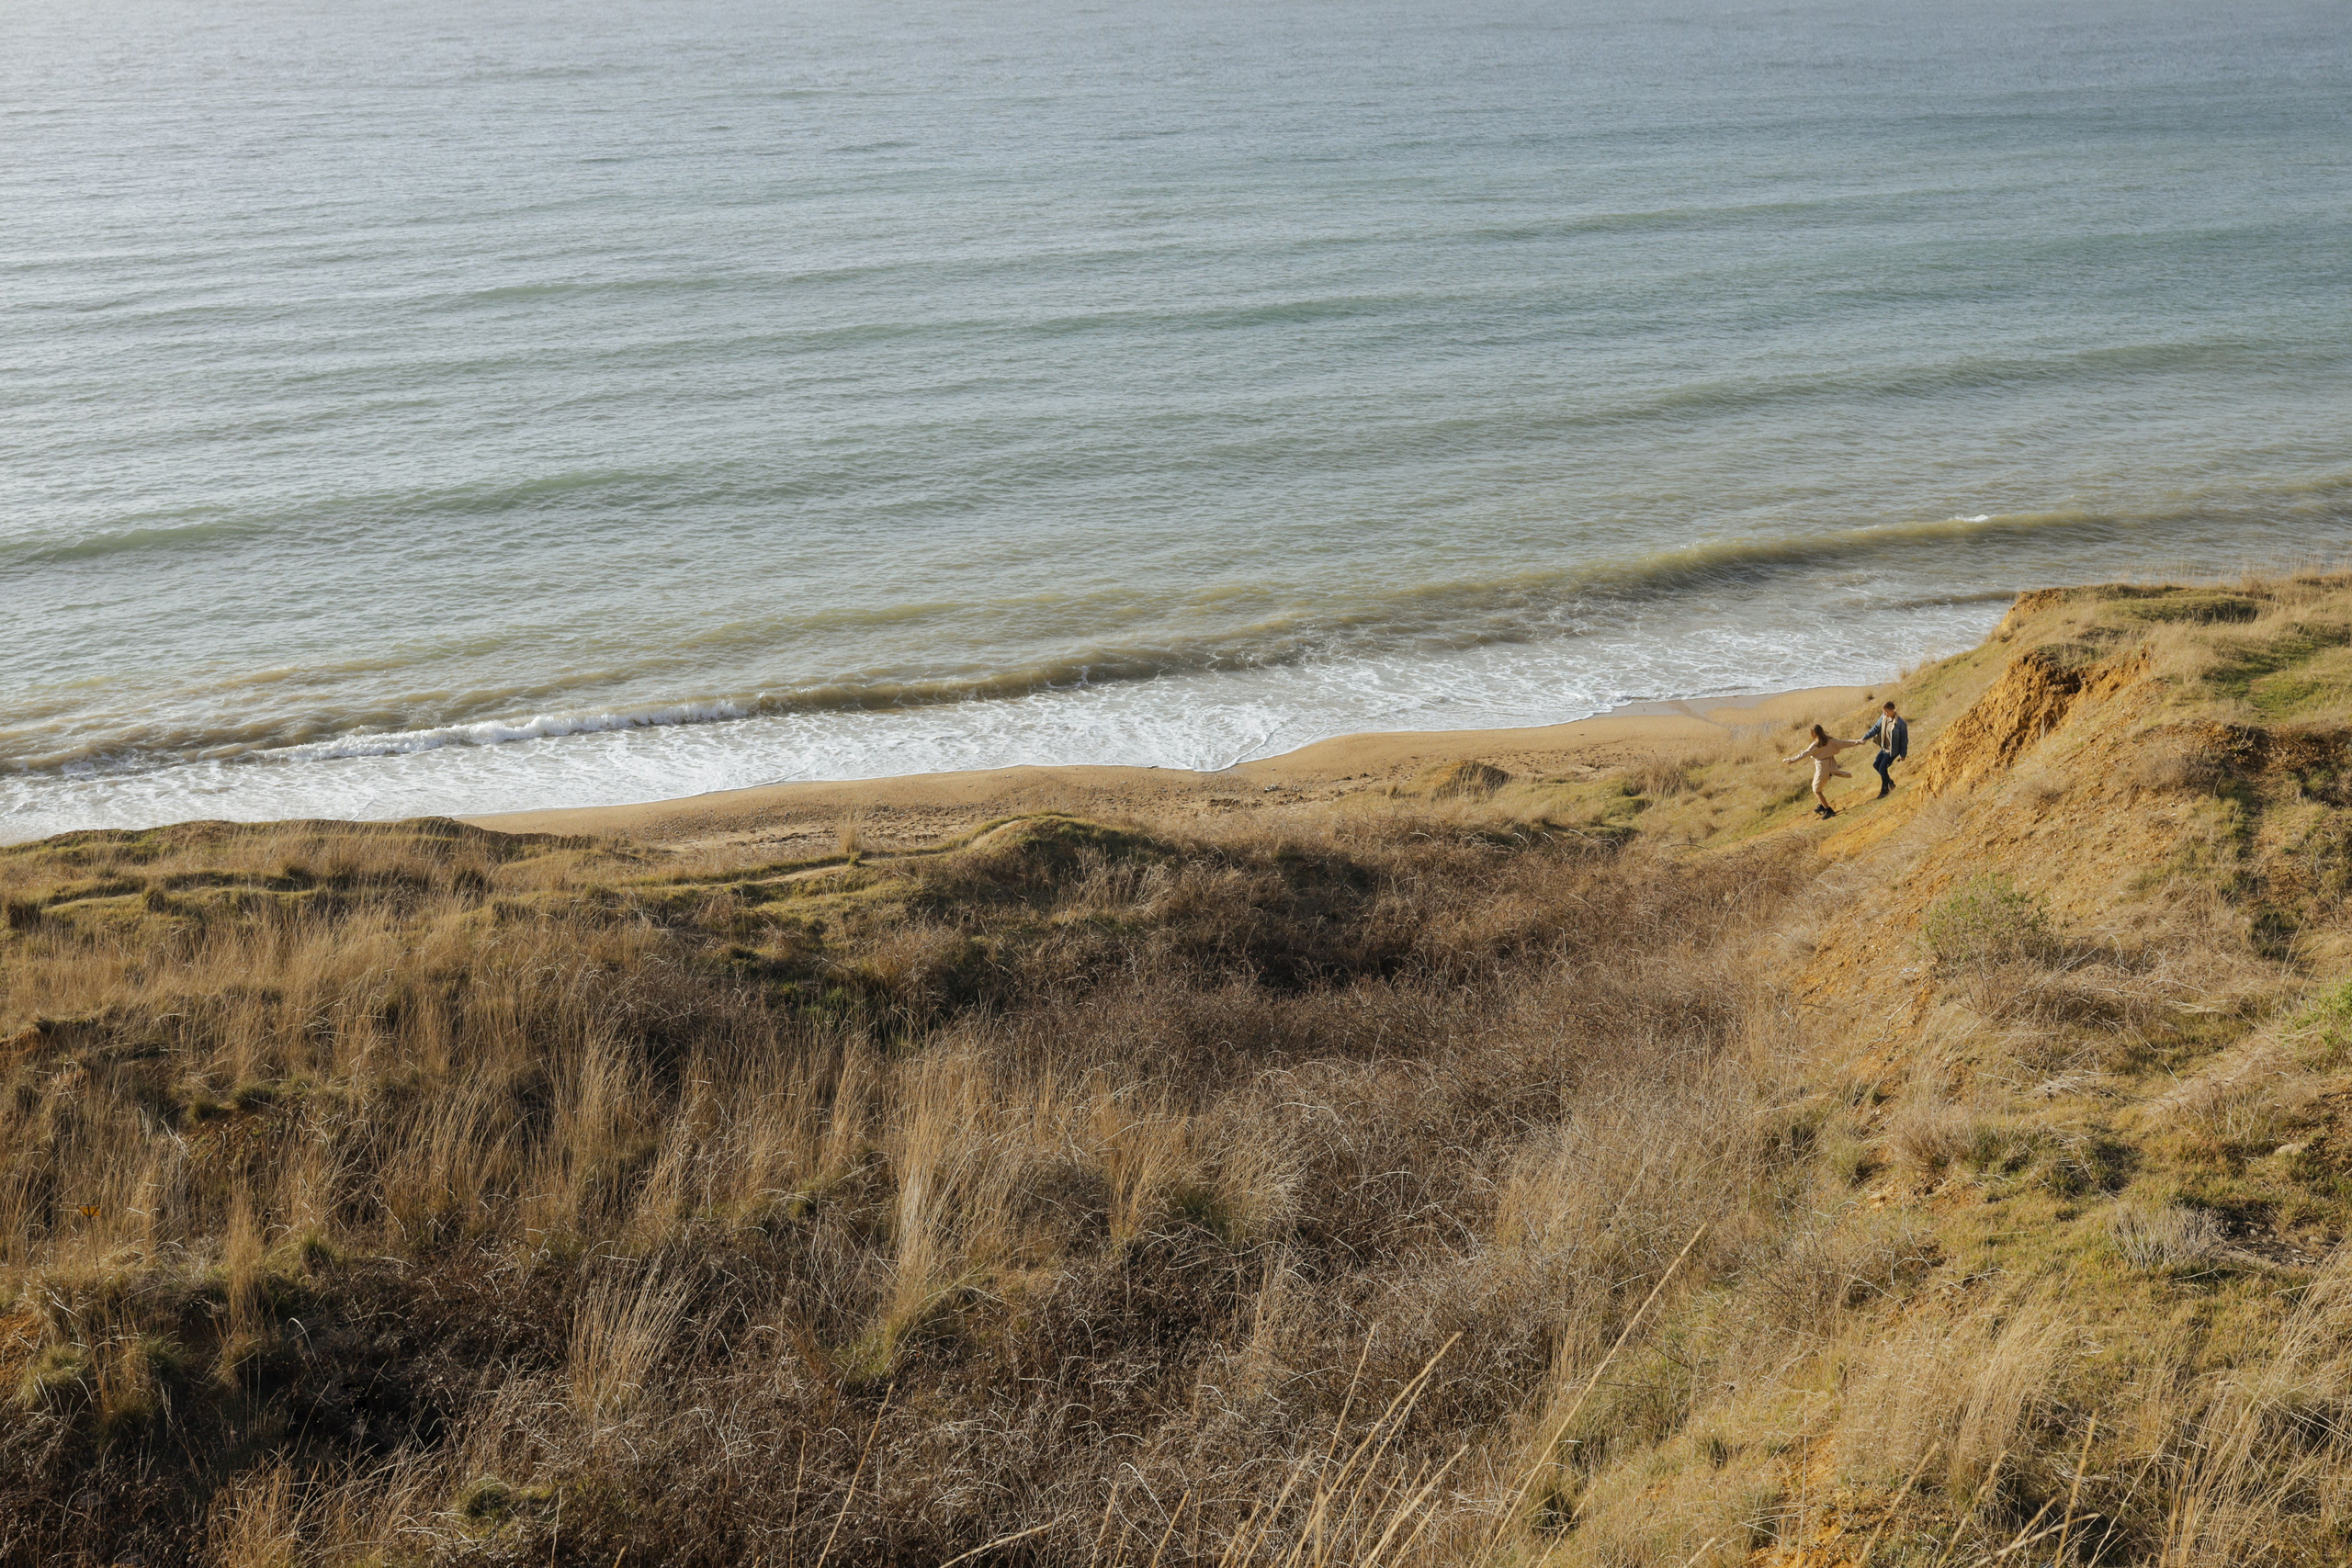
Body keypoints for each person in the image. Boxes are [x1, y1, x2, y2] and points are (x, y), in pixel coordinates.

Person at [1783, 723, 1864, 818]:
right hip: (1830, 765)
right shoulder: (1831, 740)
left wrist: (1791, 760)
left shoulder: (1815, 745)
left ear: (1813, 734)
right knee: (1814, 785)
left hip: (1822, 768)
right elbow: (1844, 743)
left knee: (1816, 790)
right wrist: (1858, 741)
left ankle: (1828, 810)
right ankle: (1821, 805)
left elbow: (1804, 754)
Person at [1859, 700, 1908, 798]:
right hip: (1885, 748)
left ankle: (1885, 790)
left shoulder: (1901, 724)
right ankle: (1890, 783)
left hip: (1892, 751)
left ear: (1892, 710)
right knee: (1876, 764)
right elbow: (1876, 728)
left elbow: (1904, 740)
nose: (1884, 714)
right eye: (1884, 712)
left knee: (1882, 768)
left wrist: (1903, 755)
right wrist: (1865, 737)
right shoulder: (1884, 717)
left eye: (1886, 712)